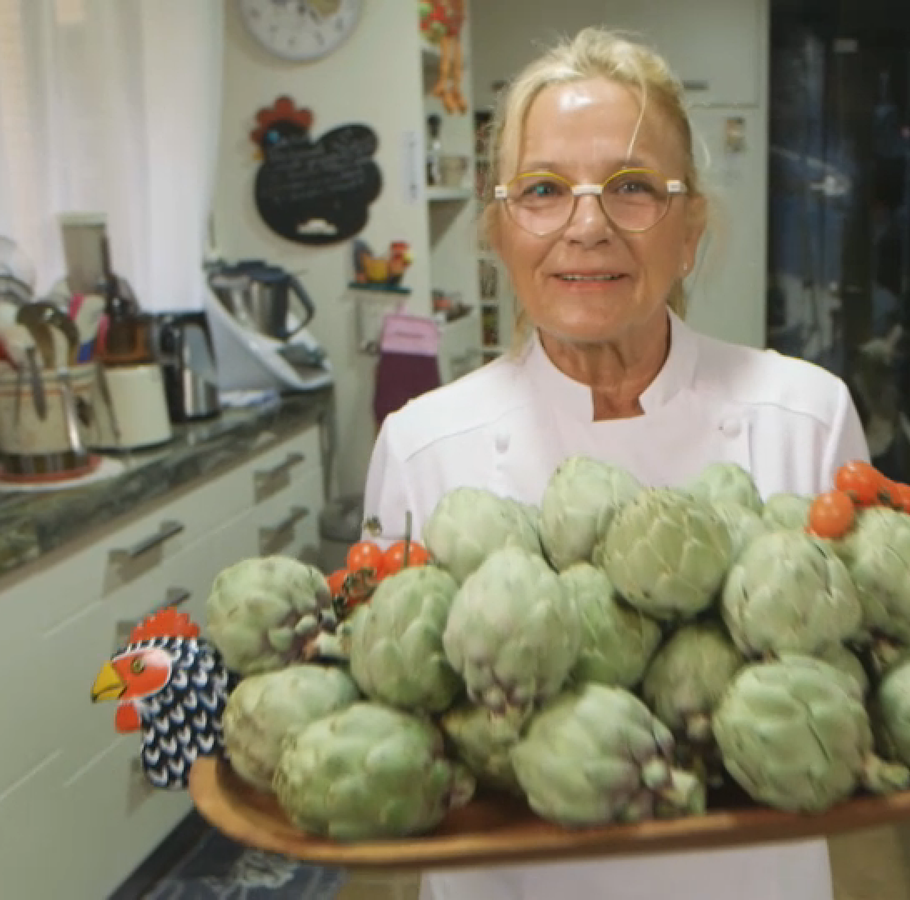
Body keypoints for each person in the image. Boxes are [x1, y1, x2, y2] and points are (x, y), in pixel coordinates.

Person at [361, 25, 869, 900]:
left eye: (633, 188)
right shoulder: (421, 444)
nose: (586, 225)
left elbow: (867, 685)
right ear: (499, 229)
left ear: (691, 229)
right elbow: (391, 706)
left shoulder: (806, 416)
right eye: (543, 190)